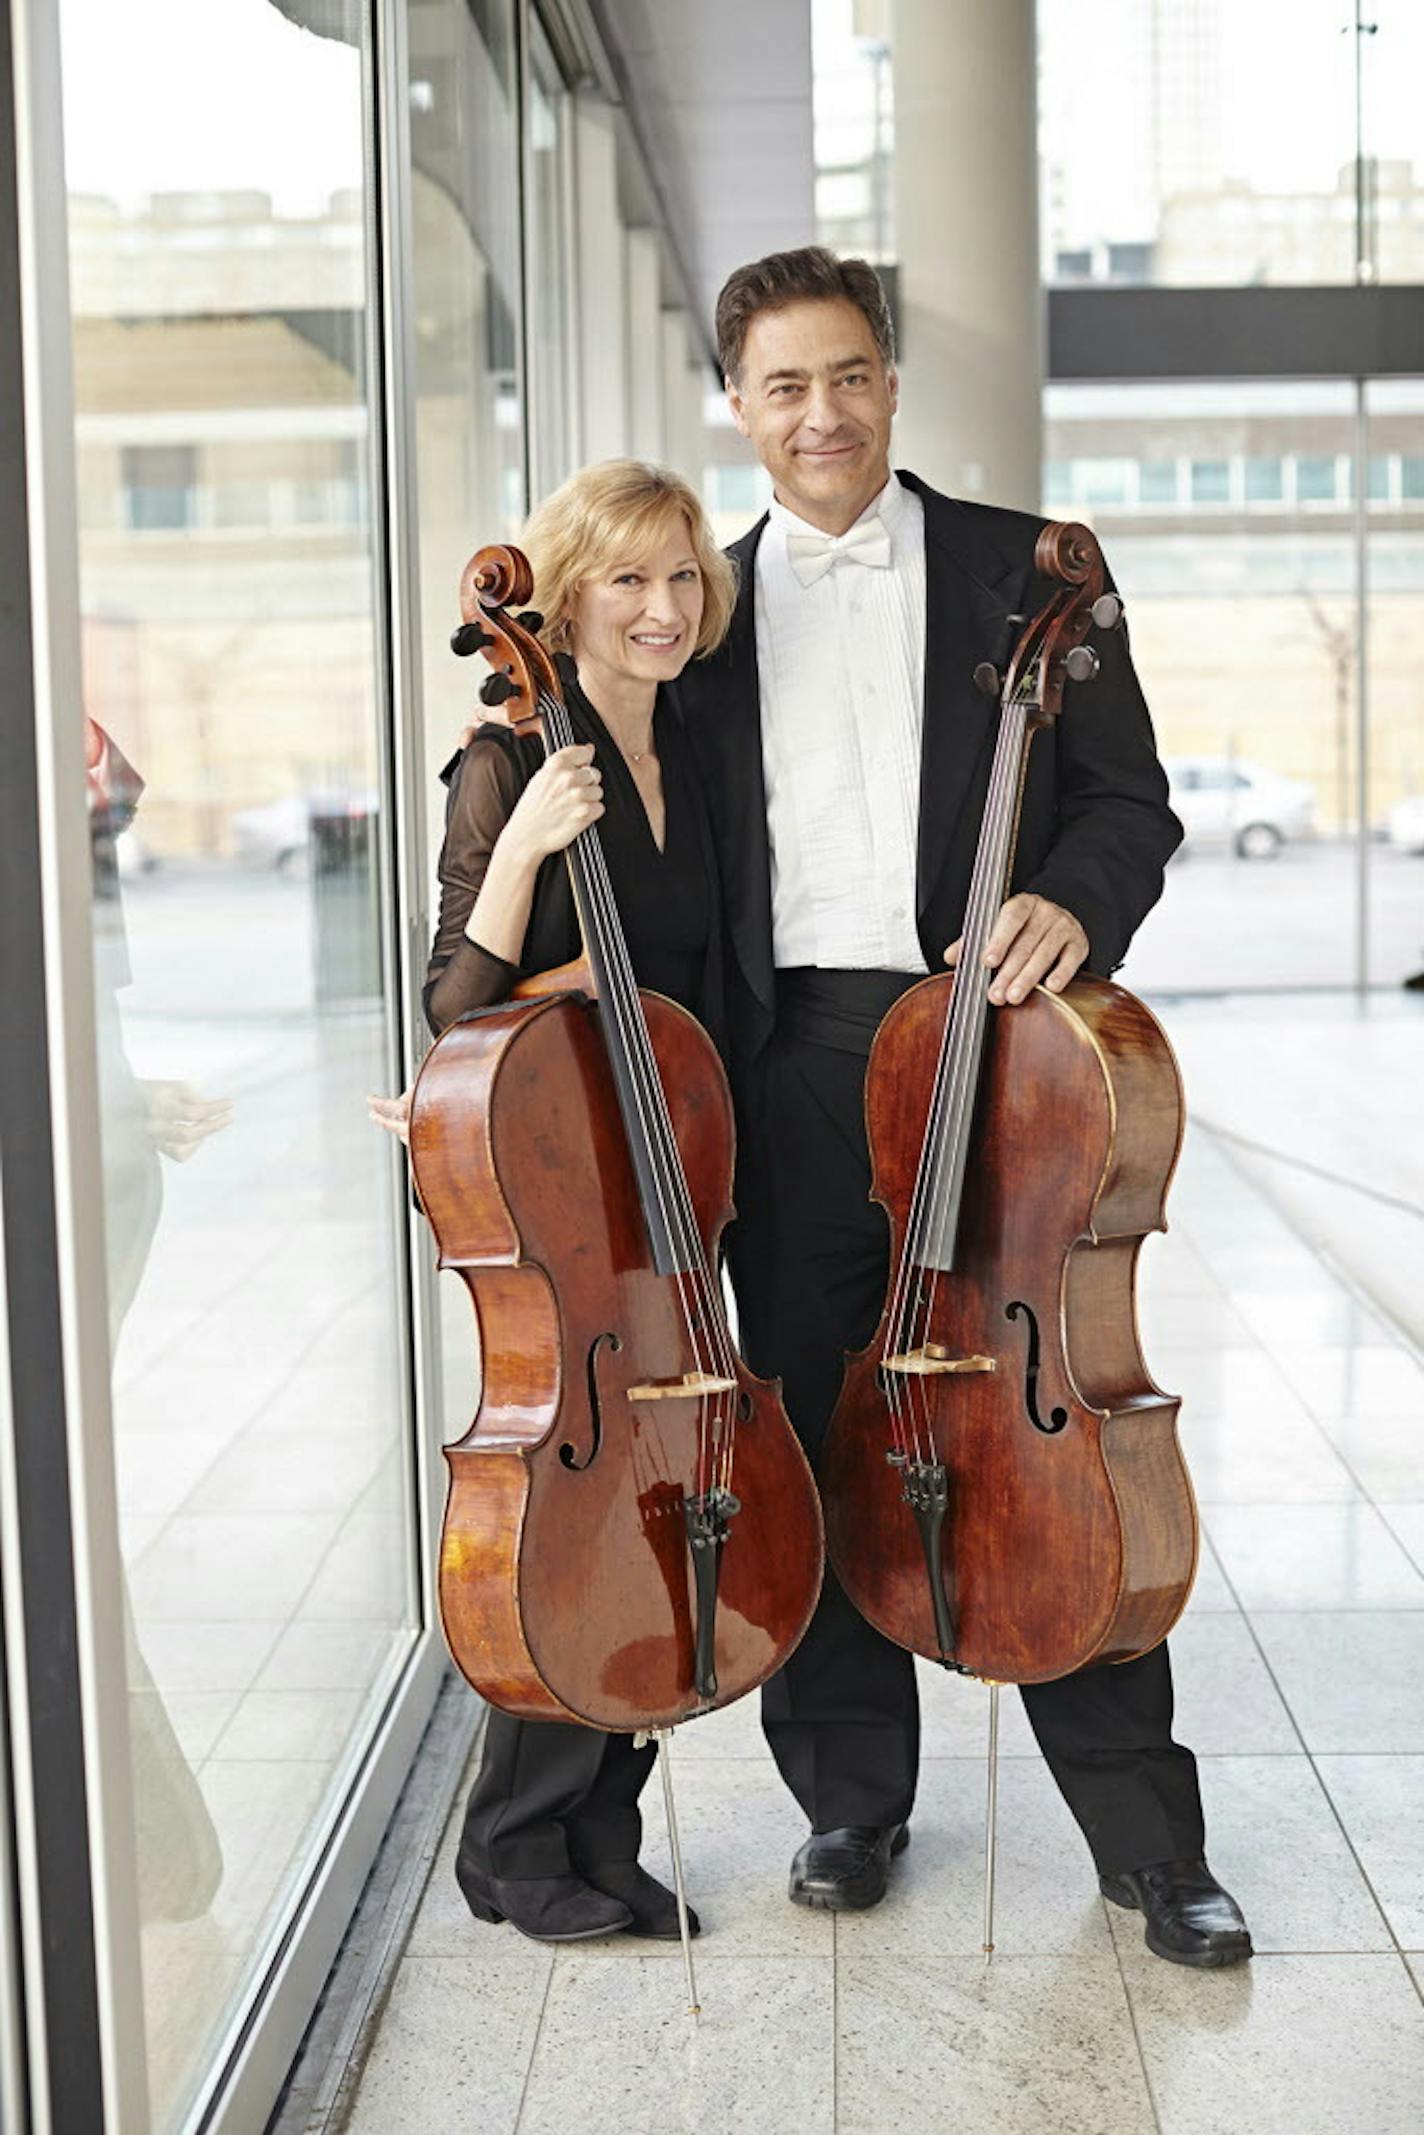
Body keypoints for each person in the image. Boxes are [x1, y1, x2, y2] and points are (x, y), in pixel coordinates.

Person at [670, 246, 1252, 1970]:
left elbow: (1132, 801)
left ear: (894, 382)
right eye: (784, 386)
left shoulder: (1026, 570)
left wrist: (1077, 900)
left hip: (992, 1048)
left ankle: (1150, 1846)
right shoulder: (692, 605)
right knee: (812, 1407)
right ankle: (854, 1796)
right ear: (739, 410)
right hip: (787, 1070)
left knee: (1032, 1422)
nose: (822, 413)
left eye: (849, 375)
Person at [375, 459, 734, 1945]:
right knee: (581, 1512)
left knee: (656, 1506)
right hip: (561, 1182)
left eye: (683, 579)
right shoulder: (505, 755)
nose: (660, 609)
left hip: (669, 1173)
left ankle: (604, 1821)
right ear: (565, 593)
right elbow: (457, 998)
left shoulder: (690, 741)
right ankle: (514, 1842)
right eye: (627, 580)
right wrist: (526, 843)